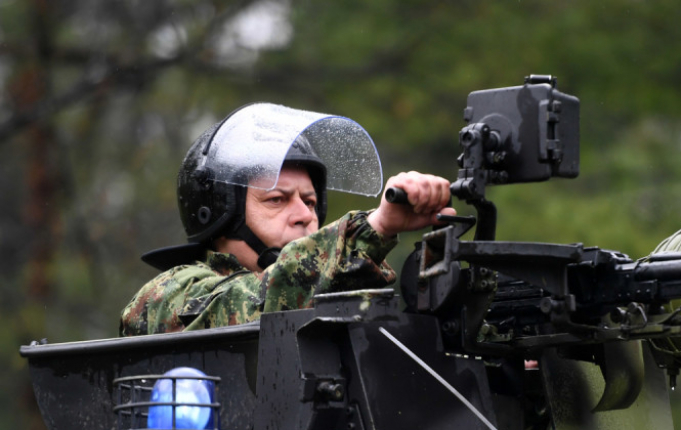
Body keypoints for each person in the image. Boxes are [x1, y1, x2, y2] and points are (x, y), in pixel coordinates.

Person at [120, 103, 453, 336]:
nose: (305, 216)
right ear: (221, 215)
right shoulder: (168, 296)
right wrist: (374, 228)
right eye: (276, 200)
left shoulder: (330, 302)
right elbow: (258, 307)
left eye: (310, 201)